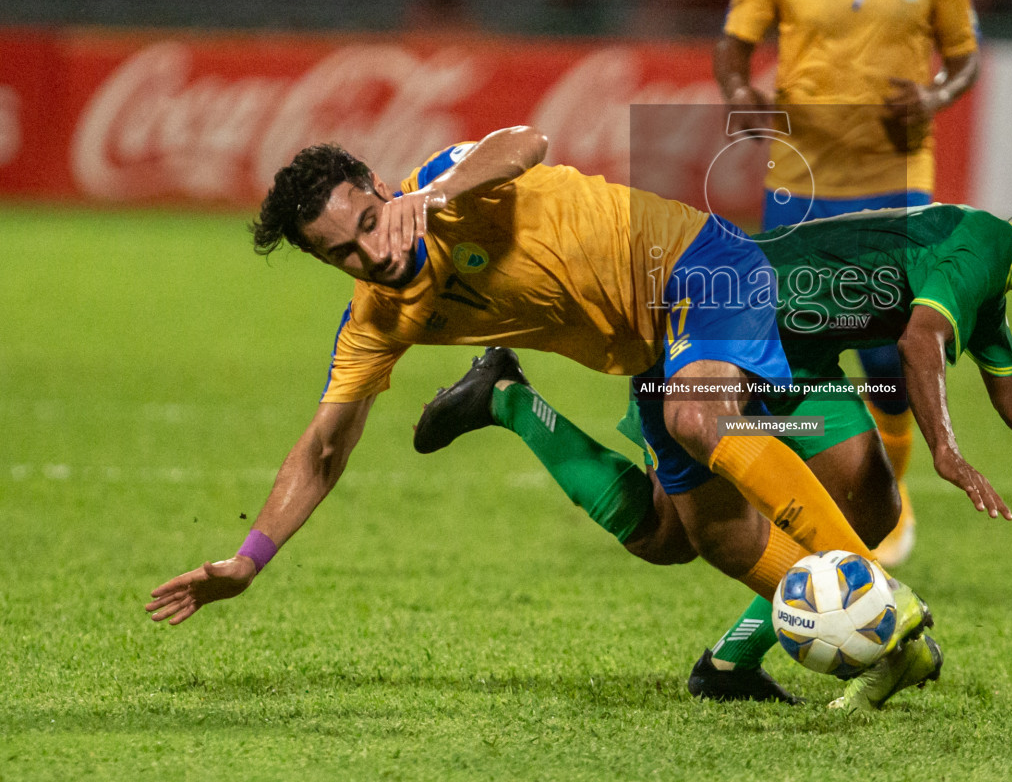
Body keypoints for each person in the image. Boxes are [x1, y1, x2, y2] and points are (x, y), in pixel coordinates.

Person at [143, 128, 931, 689]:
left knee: (710, 426)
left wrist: (443, 189)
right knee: (694, 539)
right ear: (324, 262)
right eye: (343, 252)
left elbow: (524, 143)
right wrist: (248, 561)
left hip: (702, 266)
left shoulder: (450, 193)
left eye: (371, 224)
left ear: (384, 192)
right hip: (655, 349)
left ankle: (878, 605)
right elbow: (322, 450)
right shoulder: (377, 319)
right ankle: (509, 400)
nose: (373, 253)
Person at [416, 160, 1012, 707]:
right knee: (671, 536)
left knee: (870, 500)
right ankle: (509, 400)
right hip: (721, 322)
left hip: (799, 366)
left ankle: (731, 665)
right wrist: (947, 452)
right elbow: (921, 340)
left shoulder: (987, 285)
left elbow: (1009, 383)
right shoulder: (983, 242)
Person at [714, 0, 982, 566]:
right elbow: (733, 49)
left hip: (895, 183)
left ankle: (882, 507)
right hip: (799, 182)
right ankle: (830, 500)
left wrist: (933, 94)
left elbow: (963, 56)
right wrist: (742, 92)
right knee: (796, 353)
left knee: (889, 357)